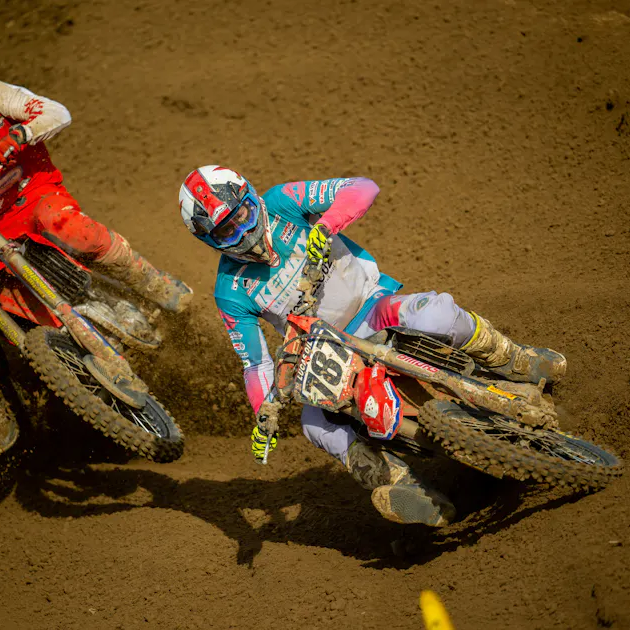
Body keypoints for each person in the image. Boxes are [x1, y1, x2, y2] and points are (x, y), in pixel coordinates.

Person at [178, 165, 566, 527]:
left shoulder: (282, 202)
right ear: (210, 240)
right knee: (314, 425)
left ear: (252, 197)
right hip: (326, 351)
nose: (243, 233)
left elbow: (362, 187)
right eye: (227, 231)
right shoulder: (230, 290)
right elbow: (256, 364)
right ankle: (400, 484)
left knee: (435, 313)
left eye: (244, 215)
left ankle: (513, 357)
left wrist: (326, 225)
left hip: (372, 305)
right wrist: (264, 413)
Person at [0, 33, 192, 457]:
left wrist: (21, 134)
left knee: (69, 227)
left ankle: (151, 281)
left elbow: (57, 112)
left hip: (33, 195)